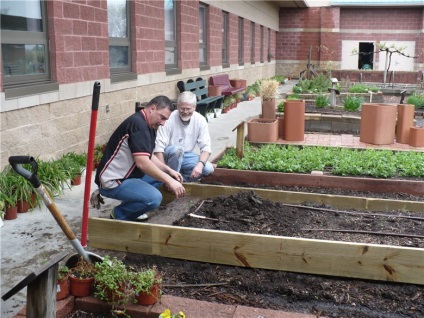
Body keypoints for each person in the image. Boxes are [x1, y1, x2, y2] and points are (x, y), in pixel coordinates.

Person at [91, 95, 186, 221]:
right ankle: (119, 214)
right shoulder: (138, 125)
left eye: (165, 120)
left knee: (162, 175)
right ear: (152, 108)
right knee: (154, 198)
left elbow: (149, 155)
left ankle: (132, 206)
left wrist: (169, 171)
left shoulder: (149, 125)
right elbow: (142, 163)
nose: (163, 123)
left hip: (128, 176)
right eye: (162, 117)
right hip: (113, 180)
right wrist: (170, 181)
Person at [142, 91, 214, 188]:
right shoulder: (169, 118)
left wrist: (200, 165)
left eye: (188, 109)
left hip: (186, 155)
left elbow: (206, 147)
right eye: (182, 108)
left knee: (208, 168)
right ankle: (169, 180)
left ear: (195, 107)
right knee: (178, 150)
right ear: (177, 106)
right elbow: (159, 148)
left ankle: (179, 180)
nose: (185, 112)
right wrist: (164, 173)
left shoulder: (200, 120)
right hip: (168, 154)